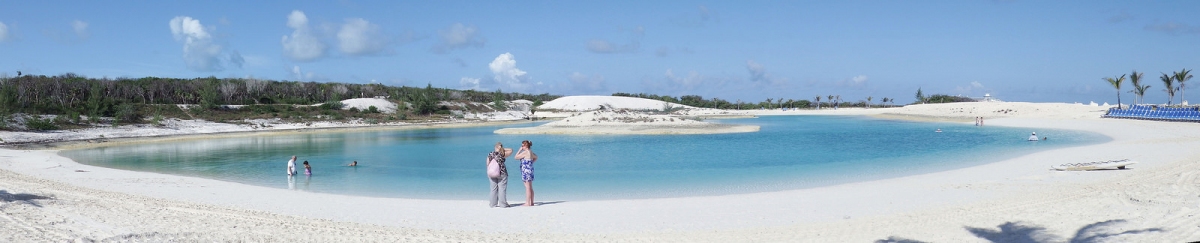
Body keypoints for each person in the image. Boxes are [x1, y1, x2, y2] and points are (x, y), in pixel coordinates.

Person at [487, 142, 513, 208]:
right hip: (502, 173)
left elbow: (487, 163)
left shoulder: (490, 154)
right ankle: (503, 204)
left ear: (495, 147)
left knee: (493, 189)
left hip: (492, 173)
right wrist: (502, 149)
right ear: (501, 147)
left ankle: (492, 204)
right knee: (502, 189)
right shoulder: (502, 154)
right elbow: (511, 150)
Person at [515, 140, 539, 206]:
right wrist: (530, 163)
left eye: (522, 146)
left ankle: (528, 202)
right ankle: (531, 202)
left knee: (527, 187)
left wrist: (519, 150)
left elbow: (516, 157)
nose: (522, 147)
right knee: (530, 187)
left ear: (525, 146)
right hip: (530, 170)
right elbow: (536, 157)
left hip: (526, 171)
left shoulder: (526, 152)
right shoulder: (530, 152)